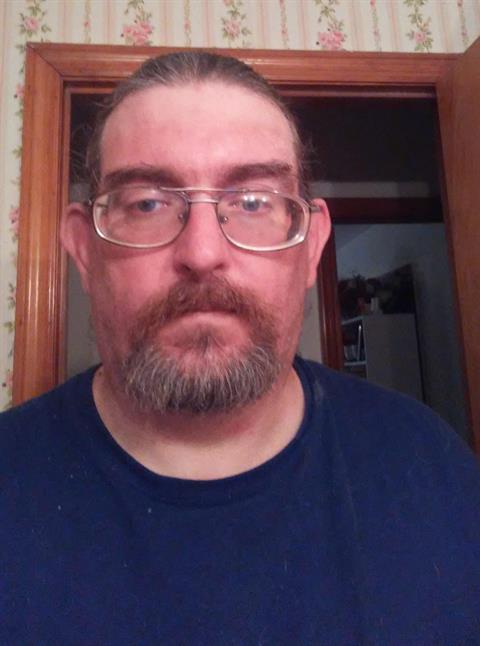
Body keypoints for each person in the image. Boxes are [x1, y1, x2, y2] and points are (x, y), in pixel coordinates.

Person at [1, 51, 479, 645]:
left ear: (311, 247)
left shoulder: (432, 468)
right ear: (83, 250)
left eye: (253, 202)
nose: (202, 253)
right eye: (148, 203)